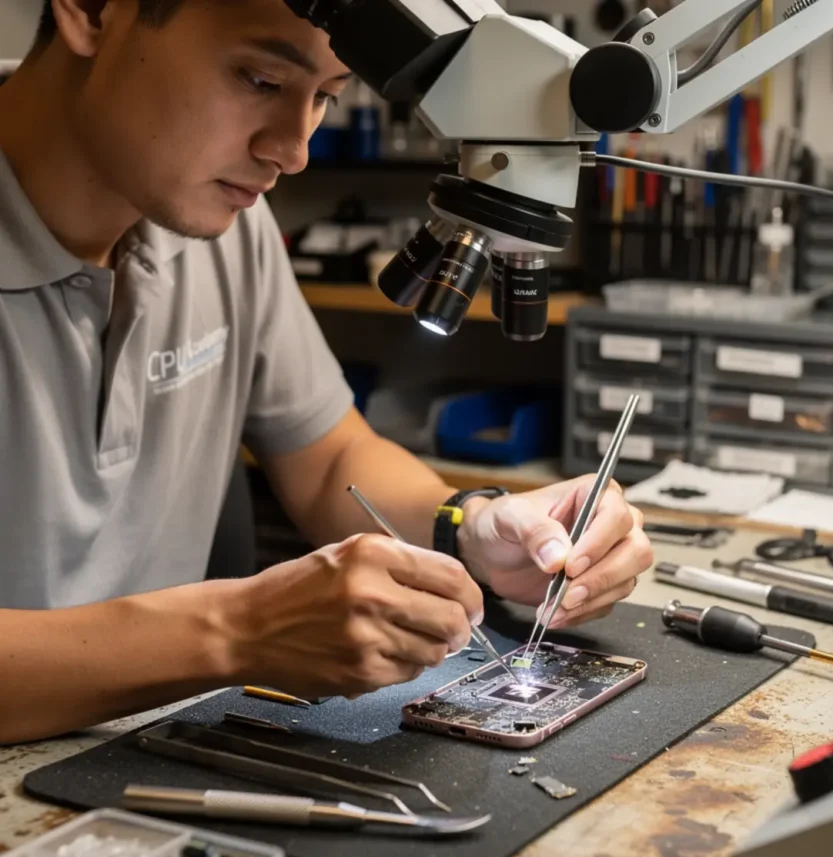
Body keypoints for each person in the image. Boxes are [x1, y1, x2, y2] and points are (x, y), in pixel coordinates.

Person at [0, 0, 653, 745]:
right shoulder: (200, 191)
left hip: (135, 755)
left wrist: (472, 527)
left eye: (326, 98)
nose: (293, 151)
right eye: (260, 79)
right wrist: (235, 631)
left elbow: (330, 460)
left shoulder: (218, 222)